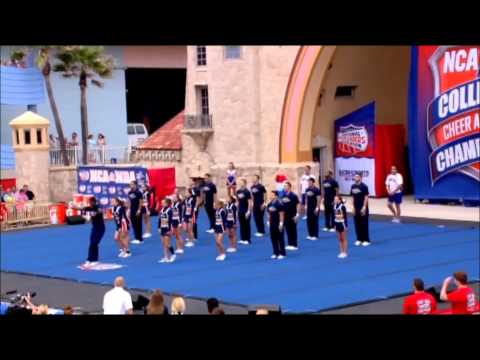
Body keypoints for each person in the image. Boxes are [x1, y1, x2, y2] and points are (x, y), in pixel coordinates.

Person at [72, 197, 106, 268]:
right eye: (89, 202)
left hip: (101, 229)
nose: (89, 204)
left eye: (90, 202)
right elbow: (82, 208)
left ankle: (91, 260)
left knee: (94, 243)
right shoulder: (89, 208)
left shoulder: (97, 207)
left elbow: (100, 211)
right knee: (92, 243)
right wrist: (74, 207)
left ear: (94, 202)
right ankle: (93, 260)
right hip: (94, 228)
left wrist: (98, 210)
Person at [350, 173, 371, 247]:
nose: (355, 178)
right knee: (357, 224)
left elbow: (366, 197)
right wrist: (352, 206)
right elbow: (352, 197)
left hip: (362, 208)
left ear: (360, 178)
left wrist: (364, 207)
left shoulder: (364, 186)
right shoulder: (353, 186)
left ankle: (366, 240)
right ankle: (359, 239)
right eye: (355, 177)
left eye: (357, 177)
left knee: (364, 224)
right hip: (356, 208)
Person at [267, 190, 286, 259]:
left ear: (276, 196)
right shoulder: (269, 204)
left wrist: (281, 223)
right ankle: (275, 252)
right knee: (273, 238)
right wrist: (268, 221)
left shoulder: (280, 204)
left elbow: (282, 214)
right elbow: (269, 214)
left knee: (280, 238)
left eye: (272, 195)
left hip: (278, 223)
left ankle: (282, 253)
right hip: (272, 224)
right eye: (270, 195)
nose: (270, 196)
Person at [281, 182, 300, 251]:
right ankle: (290, 244)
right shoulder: (283, 195)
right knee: (287, 229)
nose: (284, 187)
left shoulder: (293, 195)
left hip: (292, 215)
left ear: (289, 187)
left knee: (293, 230)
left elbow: (298, 205)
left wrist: (297, 214)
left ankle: (294, 245)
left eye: (286, 186)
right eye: (284, 186)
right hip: (286, 215)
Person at [158, 197, 176, 263]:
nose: (161, 203)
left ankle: (173, 254)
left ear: (167, 203)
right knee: (164, 243)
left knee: (167, 243)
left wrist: (170, 230)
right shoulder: (162, 210)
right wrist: (159, 227)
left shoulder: (170, 210)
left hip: (168, 228)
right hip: (162, 228)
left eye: (163, 202)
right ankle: (166, 257)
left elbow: (172, 221)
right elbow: (160, 219)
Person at [236, 178, 253, 245]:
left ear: (245, 183)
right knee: (242, 224)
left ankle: (248, 239)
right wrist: (236, 211)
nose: (240, 183)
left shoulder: (247, 192)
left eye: (242, 182)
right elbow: (238, 201)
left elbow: (250, 202)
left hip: (246, 210)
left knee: (247, 225)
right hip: (240, 210)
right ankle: (243, 238)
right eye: (240, 182)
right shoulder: (238, 191)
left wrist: (249, 211)